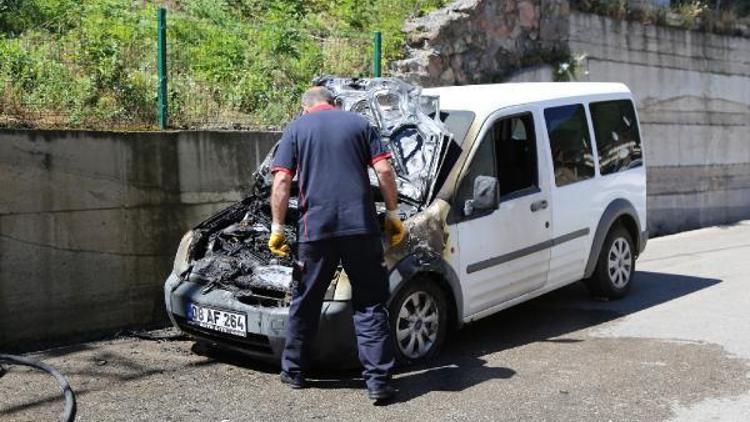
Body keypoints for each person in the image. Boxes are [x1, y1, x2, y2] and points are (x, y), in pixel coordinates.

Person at [267, 86, 406, 401]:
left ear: (306, 108)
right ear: (334, 103)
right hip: (361, 229)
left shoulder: (296, 128)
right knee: (370, 303)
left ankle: (294, 373)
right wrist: (393, 215)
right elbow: (384, 170)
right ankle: (378, 383)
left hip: (315, 231)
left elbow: (282, 181)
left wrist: (277, 227)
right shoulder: (359, 124)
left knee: (305, 300)